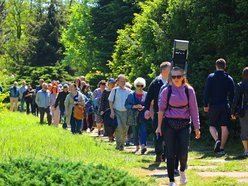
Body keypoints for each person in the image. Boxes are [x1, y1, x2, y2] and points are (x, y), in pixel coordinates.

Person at [156, 67, 200, 186]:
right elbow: (161, 110)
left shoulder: (189, 90)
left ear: (183, 77)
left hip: (185, 124)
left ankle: (182, 172)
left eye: (178, 76)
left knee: (183, 153)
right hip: (169, 124)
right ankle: (171, 180)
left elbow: (194, 110)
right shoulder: (166, 91)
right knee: (170, 153)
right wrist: (159, 127)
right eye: (173, 77)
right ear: (171, 78)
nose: (176, 79)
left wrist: (197, 127)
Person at [204, 58, 235, 155]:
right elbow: (233, 95)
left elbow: (206, 92)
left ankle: (217, 140)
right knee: (224, 126)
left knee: (212, 125)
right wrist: (233, 109)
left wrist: (205, 104)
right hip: (225, 104)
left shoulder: (211, 77)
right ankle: (221, 148)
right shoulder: (229, 78)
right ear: (225, 66)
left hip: (213, 105)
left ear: (216, 66)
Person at [144, 61, 171, 162]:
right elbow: (148, 98)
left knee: (169, 135)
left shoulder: (173, 81)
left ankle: (167, 154)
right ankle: (159, 153)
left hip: (170, 113)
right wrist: (147, 109)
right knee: (158, 135)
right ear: (163, 70)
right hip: (158, 112)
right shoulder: (156, 82)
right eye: (170, 69)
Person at [125, 77, 148, 154]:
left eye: (141, 85)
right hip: (133, 116)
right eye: (138, 85)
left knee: (143, 131)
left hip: (143, 115)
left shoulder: (146, 94)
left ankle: (143, 146)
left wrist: (144, 107)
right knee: (135, 131)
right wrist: (133, 106)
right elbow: (126, 105)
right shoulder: (131, 95)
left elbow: (149, 105)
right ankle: (137, 146)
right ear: (135, 85)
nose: (140, 87)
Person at [109, 74, 131, 150]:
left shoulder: (129, 91)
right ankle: (118, 145)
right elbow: (110, 101)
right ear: (117, 82)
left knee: (125, 129)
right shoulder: (114, 90)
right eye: (121, 81)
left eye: (124, 81)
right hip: (117, 112)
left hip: (126, 113)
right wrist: (112, 111)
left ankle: (122, 144)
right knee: (119, 128)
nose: (123, 83)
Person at [231, 67, 248, 156]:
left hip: (244, 110)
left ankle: (246, 150)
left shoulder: (240, 85)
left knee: (245, 129)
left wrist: (233, 112)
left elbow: (236, 100)